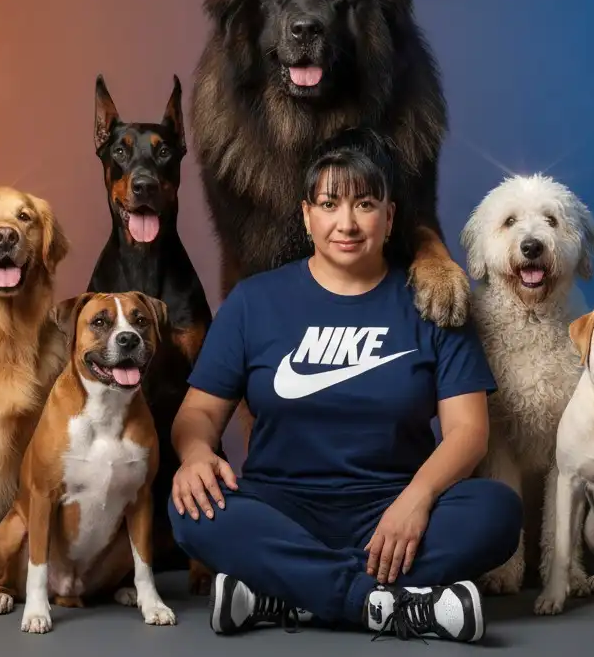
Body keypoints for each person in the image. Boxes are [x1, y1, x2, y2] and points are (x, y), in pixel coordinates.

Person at [167, 128, 522, 643]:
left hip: (394, 512)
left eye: (365, 203)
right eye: (330, 204)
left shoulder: (433, 302)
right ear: (307, 215)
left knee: (497, 511)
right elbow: (197, 413)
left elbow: (469, 432)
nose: (347, 223)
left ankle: (282, 594)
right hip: (279, 510)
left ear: (390, 216)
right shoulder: (253, 301)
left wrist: (417, 498)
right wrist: (196, 453)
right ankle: (382, 605)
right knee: (188, 509)